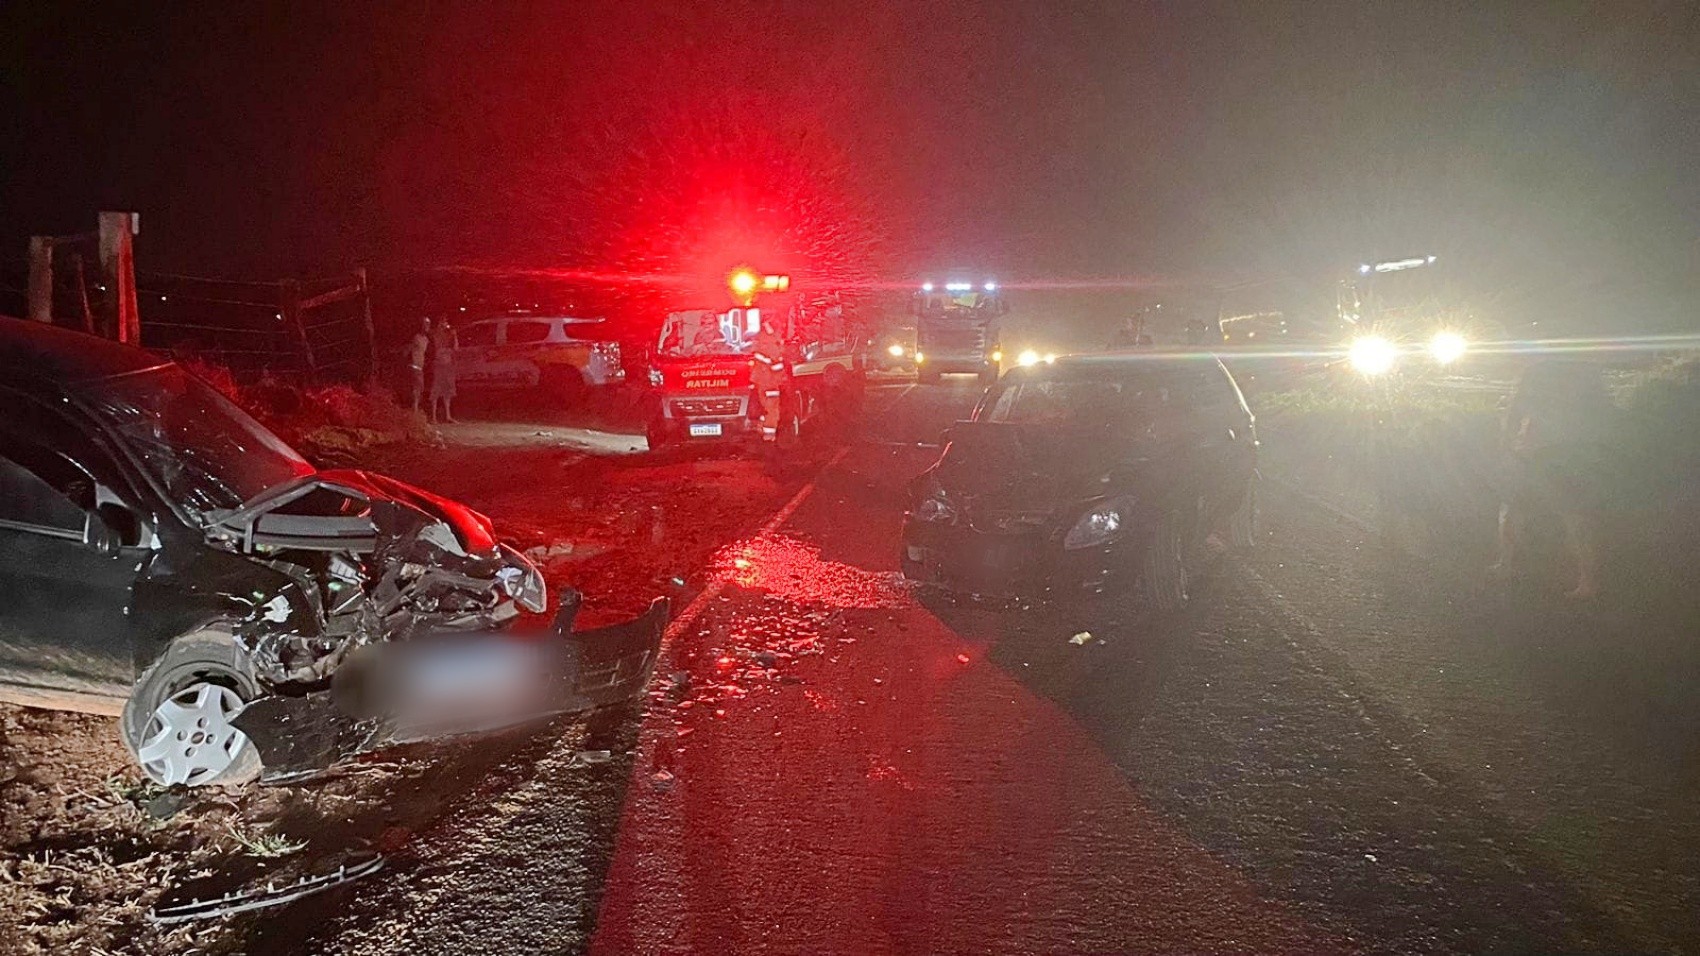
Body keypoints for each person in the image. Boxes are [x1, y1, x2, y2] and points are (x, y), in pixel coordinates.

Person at [1492, 358, 1613, 598]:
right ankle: (1588, 581)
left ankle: (1506, 565)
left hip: (1536, 452)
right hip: (1576, 454)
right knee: (1575, 516)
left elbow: (1515, 412)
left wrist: (1507, 445)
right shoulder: (1585, 374)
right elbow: (1603, 417)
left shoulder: (1536, 372)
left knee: (1513, 507)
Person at [428, 318, 458, 424]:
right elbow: (435, 345)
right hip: (439, 366)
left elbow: (455, 348)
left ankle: (448, 416)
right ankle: (433, 417)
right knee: (436, 391)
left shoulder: (448, 337)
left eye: (446, 323)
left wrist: (454, 336)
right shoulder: (436, 335)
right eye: (443, 323)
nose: (445, 326)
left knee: (447, 392)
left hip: (448, 367)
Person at [406, 318, 431, 413]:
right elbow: (410, 349)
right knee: (417, 386)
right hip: (415, 365)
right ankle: (415, 409)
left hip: (421, 365)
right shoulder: (416, 338)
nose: (426, 327)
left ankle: (415, 408)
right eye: (425, 325)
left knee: (420, 387)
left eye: (428, 325)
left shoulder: (426, 340)